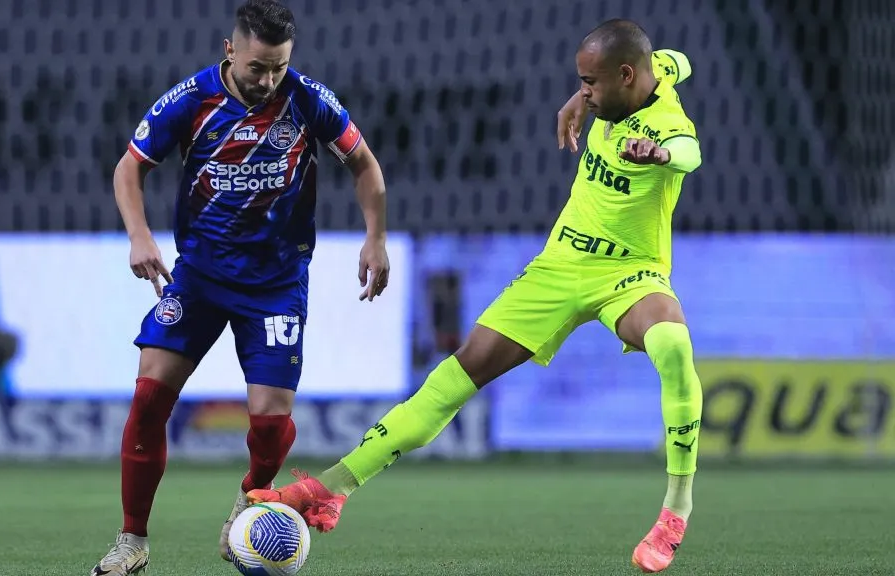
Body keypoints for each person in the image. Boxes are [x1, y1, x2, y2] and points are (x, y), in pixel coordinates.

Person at [248, 18, 703, 574]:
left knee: (675, 348)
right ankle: (334, 487)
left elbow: (686, 151)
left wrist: (658, 156)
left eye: (590, 83)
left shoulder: (667, 123)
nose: (582, 92)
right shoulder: (653, 73)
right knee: (457, 374)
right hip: (559, 266)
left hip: (631, 274)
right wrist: (583, 97)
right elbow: (675, 60)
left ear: (625, 76)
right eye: (580, 81)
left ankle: (674, 513)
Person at [89, 0, 390, 574]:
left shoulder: (307, 100)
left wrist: (375, 239)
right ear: (230, 51)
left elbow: (365, 165)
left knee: (271, 426)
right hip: (200, 275)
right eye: (258, 67)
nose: (268, 80)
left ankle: (249, 502)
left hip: (276, 284)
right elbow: (129, 168)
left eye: (278, 67)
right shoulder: (191, 100)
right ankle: (131, 542)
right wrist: (139, 237)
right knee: (150, 396)